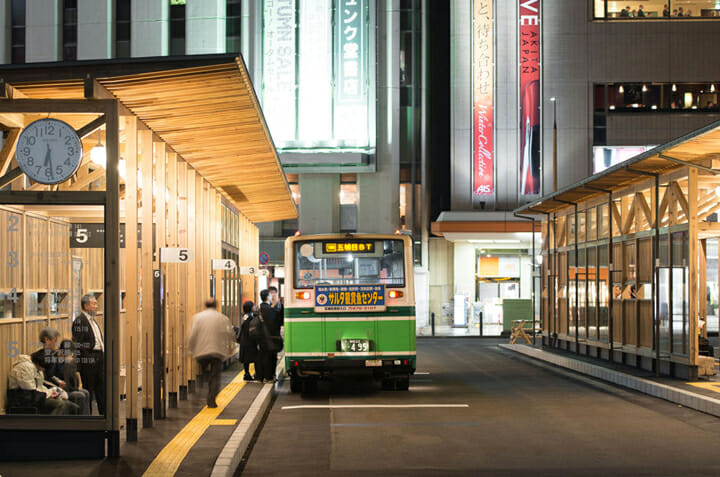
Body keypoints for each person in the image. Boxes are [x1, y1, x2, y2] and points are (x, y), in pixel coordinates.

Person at [189, 298, 235, 408]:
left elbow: (192, 335)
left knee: (201, 375)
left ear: (205, 305)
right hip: (216, 352)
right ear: (216, 306)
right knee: (215, 376)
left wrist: (191, 349)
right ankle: (211, 399)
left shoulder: (197, 317)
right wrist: (230, 349)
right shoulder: (222, 318)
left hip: (201, 352)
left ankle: (198, 396)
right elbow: (230, 334)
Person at [31, 327, 88, 414]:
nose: (57, 344)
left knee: (85, 392)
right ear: (47, 340)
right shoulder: (43, 357)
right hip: (53, 389)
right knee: (80, 395)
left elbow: (71, 378)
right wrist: (58, 383)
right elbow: (47, 377)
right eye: (55, 340)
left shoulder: (55, 355)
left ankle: (86, 422)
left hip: (62, 387)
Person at [7, 353, 79, 415]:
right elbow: (30, 391)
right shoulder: (25, 367)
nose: (43, 370)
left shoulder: (35, 367)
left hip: (33, 396)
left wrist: (51, 392)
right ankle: (49, 428)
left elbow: (39, 386)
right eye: (43, 368)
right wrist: (48, 393)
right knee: (61, 404)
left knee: (73, 406)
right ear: (39, 363)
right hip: (22, 400)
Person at [72, 293, 105, 415]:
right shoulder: (80, 321)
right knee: (89, 390)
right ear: (86, 306)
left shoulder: (93, 321)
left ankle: (104, 416)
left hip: (99, 358)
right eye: (94, 304)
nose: (96, 306)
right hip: (89, 360)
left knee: (101, 390)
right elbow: (78, 344)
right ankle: (89, 417)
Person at [257, 289, 284, 383]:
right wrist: (277, 305)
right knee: (269, 357)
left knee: (263, 356)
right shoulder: (268, 309)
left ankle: (263, 376)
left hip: (262, 337)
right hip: (269, 337)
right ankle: (268, 376)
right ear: (267, 297)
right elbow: (276, 320)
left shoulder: (261, 308)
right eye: (270, 295)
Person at [59, 339, 90, 414]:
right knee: (80, 395)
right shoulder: (65, 363)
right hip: (64, 390)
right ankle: (80, 420)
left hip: (69, 388)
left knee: (86, 392)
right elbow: (71, 384)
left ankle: (86, 418)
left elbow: (74, 381)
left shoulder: (68, 362)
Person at [237, 300, 259, 381]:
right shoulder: (250, 318)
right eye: (253, 306)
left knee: (246, 360)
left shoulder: (245, 316)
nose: (255, 307)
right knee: (256, 358)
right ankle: (256, 374)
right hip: (249, 342)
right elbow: (249, 330)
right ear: (250, 308)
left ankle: (247, 374)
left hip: (244, 341)